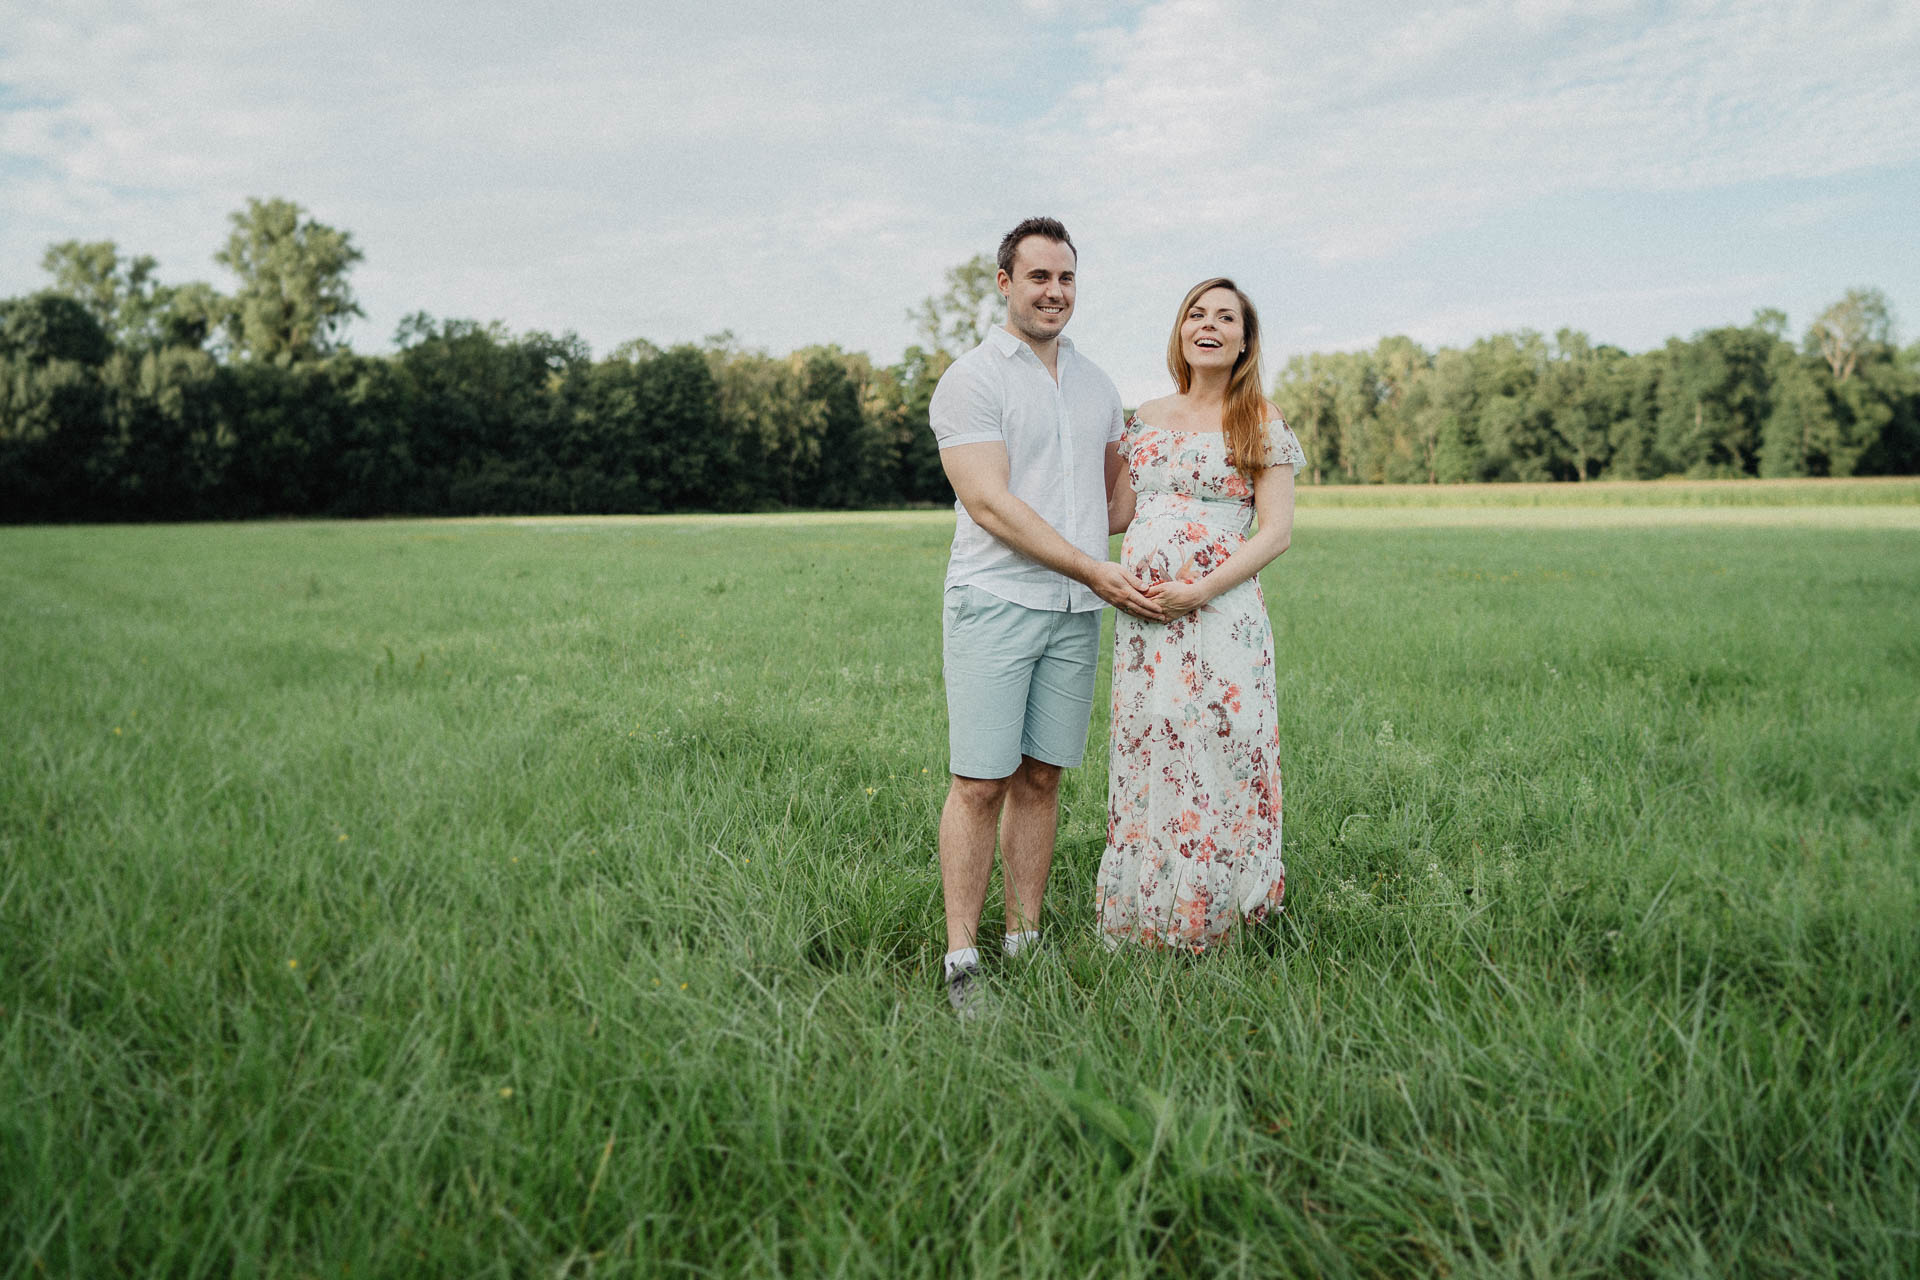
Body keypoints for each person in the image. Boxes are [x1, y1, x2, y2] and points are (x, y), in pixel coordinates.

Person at [929, 217, 1165, 1015]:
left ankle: (1023, 941)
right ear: (1005, 283)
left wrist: (1182, 450)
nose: (1054, 292)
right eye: (1038, 277)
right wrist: (1094, 567)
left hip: (1074, 610)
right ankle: (963, 961)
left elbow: (1114, 506)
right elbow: (990, 505)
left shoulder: (1099, 387)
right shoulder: (972, 379)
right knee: (979, 782)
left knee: (1042, 777)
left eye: (1065, 278)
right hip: (996, 601)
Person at [1097, 277, 1304, 951]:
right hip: (1145, 621)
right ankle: (1149, 913)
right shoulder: (1146, 417)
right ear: (1181, 331)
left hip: (1221, 616)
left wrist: (1200, 590)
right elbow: (1118, 514)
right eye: (1196, 313)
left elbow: (1276, 533)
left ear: (1244, 341)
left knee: (1224, 744)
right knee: (1153, 744)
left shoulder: (1259, 419)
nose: (1208, 325)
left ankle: (1226, 913)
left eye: (1225, 317)